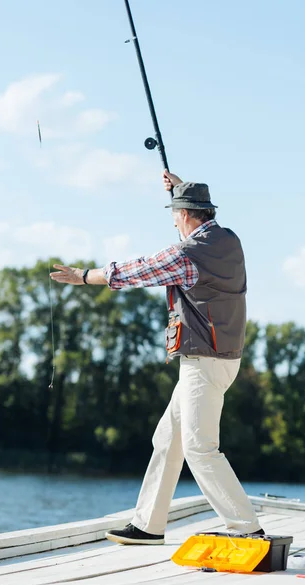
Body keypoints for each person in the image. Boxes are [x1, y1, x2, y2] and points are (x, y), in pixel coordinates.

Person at [50, 170, 264, 545]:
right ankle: (149, 525)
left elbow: (139, 270)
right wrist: (180, 190)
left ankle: (247, 529)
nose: (173, 220)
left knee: (200, 447)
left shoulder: (188, 254)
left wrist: (85, 276)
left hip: (205, 360)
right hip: (220, 358)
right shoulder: (229, 241)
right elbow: (188, 242)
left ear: (183, 215)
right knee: (169, 438)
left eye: (174, 214)